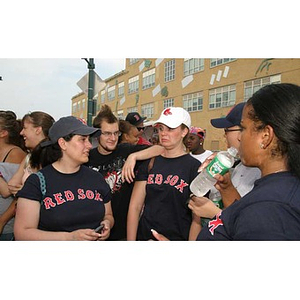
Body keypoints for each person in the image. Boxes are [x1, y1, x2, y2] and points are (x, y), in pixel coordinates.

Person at [152, 83, 300, 241]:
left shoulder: (272, 209)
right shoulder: (275, 189)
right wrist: (226, 187)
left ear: (265, 136)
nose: (239, 137)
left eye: (242, 128)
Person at [14, 116, 114, 241]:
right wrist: (69, 238)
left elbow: (108, 214)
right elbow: (22, 233)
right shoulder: (37, 182)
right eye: (82, 139)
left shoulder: (97, 178)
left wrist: (107, 223)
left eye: (89, 140)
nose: (89, 145)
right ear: (63, 143)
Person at [85, 105, 163, 241]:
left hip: (124, 232)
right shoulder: (86, 159)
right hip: (94, 232)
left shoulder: (125, 151)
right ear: (97, 134)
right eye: (107, 133)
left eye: (116, 133)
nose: (113, 138)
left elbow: (160, 149)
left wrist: (134, 157)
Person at [127, 107, 202, 241]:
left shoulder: (194, 167)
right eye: (161, 129)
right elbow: (135, 207)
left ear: (184, 131)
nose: (163, 133)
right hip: (145, 238)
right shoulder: (150, 161)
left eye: (170, 129)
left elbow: (196, 219)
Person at [0, 111, 27, 240]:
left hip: (6, 228)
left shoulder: (15, 154)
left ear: (3, 133)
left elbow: (9, 192)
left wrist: (2, 221)